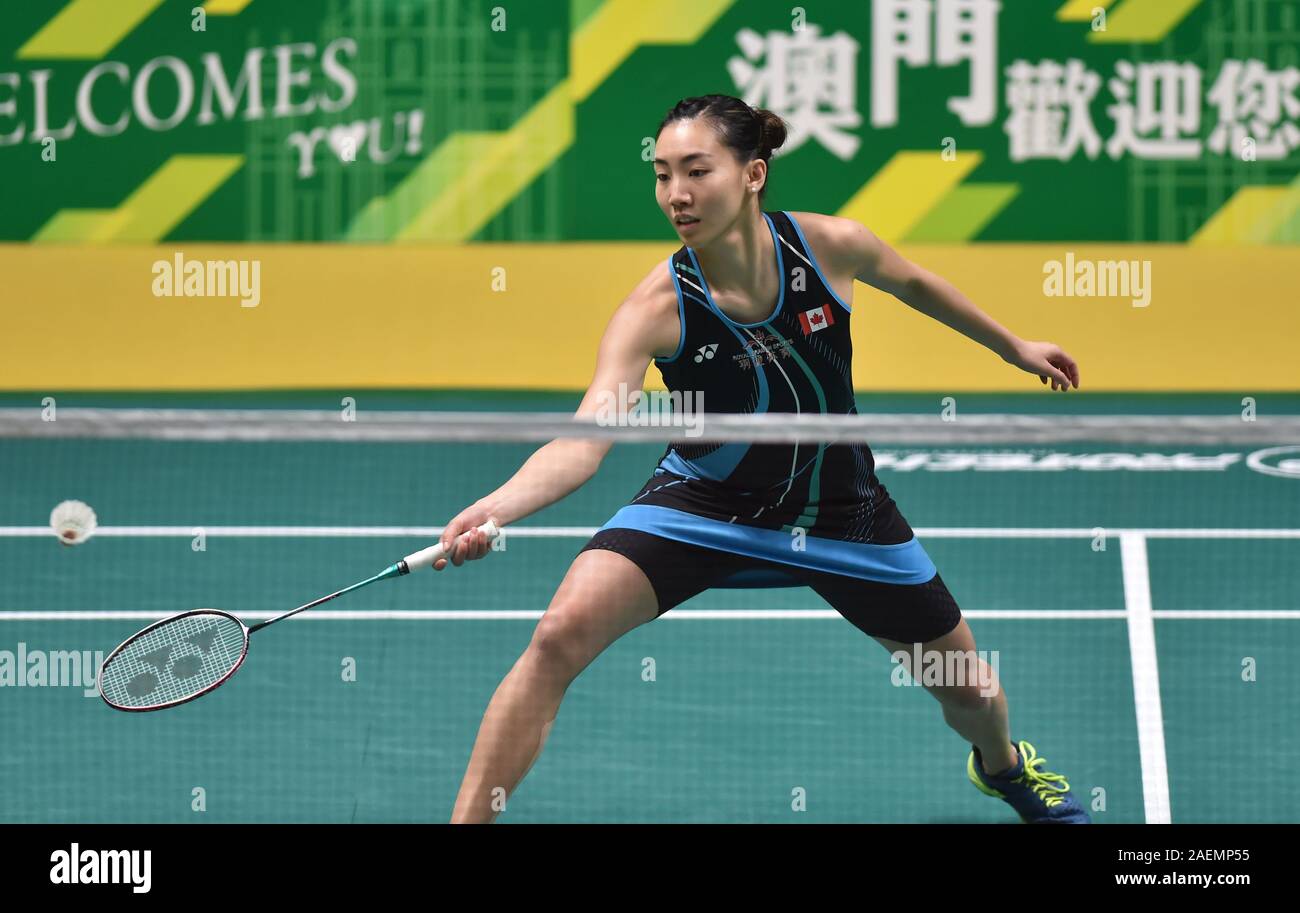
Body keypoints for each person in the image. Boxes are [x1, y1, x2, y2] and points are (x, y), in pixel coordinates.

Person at [438, 94, 1088, 824]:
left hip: (844, 511)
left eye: (696, 170)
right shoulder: (656, 309)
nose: (676, 194)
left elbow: (915, 283)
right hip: (704, 506)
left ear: (752, 174)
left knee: (968, 689)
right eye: (661, 175)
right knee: (558, 633)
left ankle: (1002, 767)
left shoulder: (830, 247)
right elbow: (587, 439)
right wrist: (499, 507)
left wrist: (1015, 346)